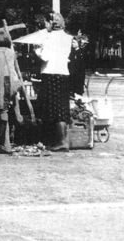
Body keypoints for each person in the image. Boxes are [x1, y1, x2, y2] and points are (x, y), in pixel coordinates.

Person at [34, 11, 74, 152]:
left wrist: (36, 50)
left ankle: (58, 140)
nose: (44, 25)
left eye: (45, 22)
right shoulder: (68, 38)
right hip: (63, 73)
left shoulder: (48, 38)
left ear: (51, 22)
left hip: (50, 73)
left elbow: (44, 57)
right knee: (62, 108)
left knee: (50, 108)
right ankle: (63, 139)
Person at [0, 29, 24, 154]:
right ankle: (18, 115)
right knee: (12, 102)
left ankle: (6, 144)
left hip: (1, 85)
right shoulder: (11, 53)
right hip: (14, 83)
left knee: (3, 112)